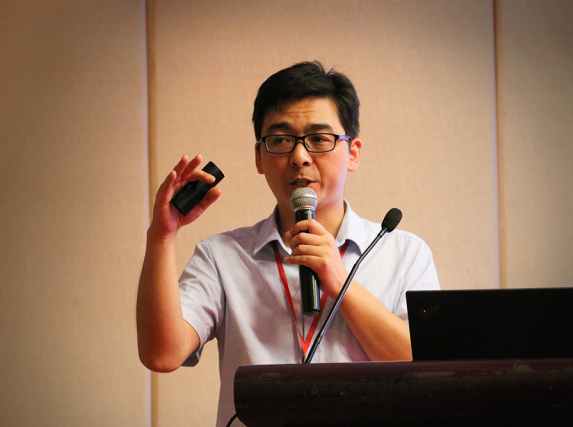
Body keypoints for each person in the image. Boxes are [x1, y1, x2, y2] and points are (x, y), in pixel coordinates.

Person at [136, 61, 440, 426]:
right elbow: (162, 355)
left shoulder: (404, 254)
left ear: (353, 153)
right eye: (280, 140)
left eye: (319, 139)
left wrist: (340, 282)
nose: (299, 157)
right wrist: (162, 236)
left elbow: (426, 370)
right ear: (259, 157)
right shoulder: (222, 257)